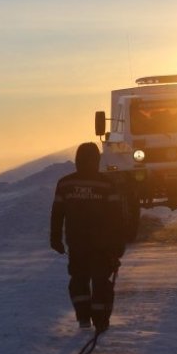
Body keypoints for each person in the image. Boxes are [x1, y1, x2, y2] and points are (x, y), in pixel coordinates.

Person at [50, 142, 125, 332]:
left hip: (77, 244)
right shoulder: (107, 184)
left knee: (79, 280)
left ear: (77, 160)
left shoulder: (65, 184)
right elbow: (118, 217)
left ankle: (84, 318)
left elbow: (57, 213)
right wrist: (118, 244)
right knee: (101, 283)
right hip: (102, 246)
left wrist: (56, 237)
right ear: (97, 160)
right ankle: (100, 322)